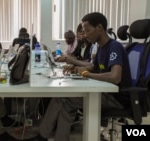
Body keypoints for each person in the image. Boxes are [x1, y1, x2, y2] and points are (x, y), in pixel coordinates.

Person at [39, 12, 132, 141]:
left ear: (99, 28)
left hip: (117, 97)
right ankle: (49, 135)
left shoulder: (114, 47)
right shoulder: (101, 47)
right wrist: (76, 68)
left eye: (88, 31)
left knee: (63, 99)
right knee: (63, 98)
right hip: (106, 91)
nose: (86, 35)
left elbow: (115, 77)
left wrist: (87, 74)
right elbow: (93, 66)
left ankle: (42, 135)